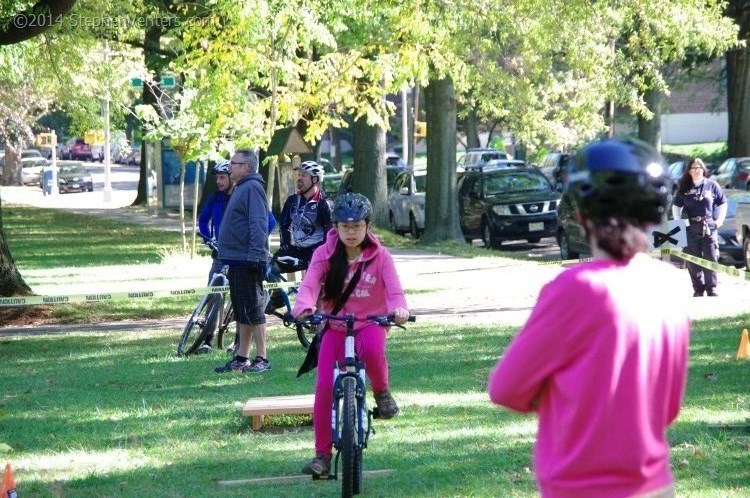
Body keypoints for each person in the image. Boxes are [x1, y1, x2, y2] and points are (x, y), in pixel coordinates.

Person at [488, 138, 690, 498]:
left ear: (580, 215)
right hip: (655, 486)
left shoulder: (572, 290)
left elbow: (506, 388)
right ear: (656, 212)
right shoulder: (672, 286)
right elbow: (669, 408)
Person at [291, 192, 410, 477]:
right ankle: (321, 454)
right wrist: (304, 306)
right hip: (334, 324)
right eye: (345, 226)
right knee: (323, 388)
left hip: (370, 322)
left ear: (368, 226)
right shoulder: (324, 254)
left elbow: (394, 291)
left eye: (357, 225)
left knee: (372, 351)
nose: (351, 232)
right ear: (336, 227)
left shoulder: (381, 257)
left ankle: (381, 393)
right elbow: (309, 286)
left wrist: (399, 309)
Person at [195, 160, 276, 355]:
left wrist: (254, 242)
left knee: (243, 302)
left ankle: (241, 345)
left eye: (223, 177)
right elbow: (203, 220)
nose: (219, 181)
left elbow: (269, 221)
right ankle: (208, 339)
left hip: (243, 255)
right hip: (222, 253)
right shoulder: (215, 198)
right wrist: (209, 239)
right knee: (214, 293)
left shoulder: (245, 193)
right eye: (217, 178)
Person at [213, 149, 272, 373]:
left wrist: (256, 256)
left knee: (255, 310)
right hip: (237, 259)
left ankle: (262, 358)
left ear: (245, 167)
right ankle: (242, 357)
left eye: (234, 163)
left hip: (248, 259)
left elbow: (258, 224)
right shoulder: (241, 187)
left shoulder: (253, 188)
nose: (230, 167)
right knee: (242, 311)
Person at [266, 160, 332, 312]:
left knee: (318, 290)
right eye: (299, 175)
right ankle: (278, 296)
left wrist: (319, 255)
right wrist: (286, 244)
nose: (299, 179)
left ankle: (318, 327)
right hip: (296, 250)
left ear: (315, 179)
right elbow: (283, 225)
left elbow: (330, 236)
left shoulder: (325, 204)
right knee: (266, 267)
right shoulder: (292, 200)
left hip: (316, 254)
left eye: (304, 176)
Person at [672, 157, 727, 297]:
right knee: (692, 259)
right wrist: (678, 221)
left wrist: (719, 221)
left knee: (711, 257)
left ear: (703, 169)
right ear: (689, 171)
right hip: (690, 227)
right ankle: (698, 289)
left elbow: (722, 203)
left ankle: (712, 289)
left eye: (698, 168)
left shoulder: (712, 185)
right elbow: (676, 206)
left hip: (709, 226)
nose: (696, 171)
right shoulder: (684, 187)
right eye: (693, 168)